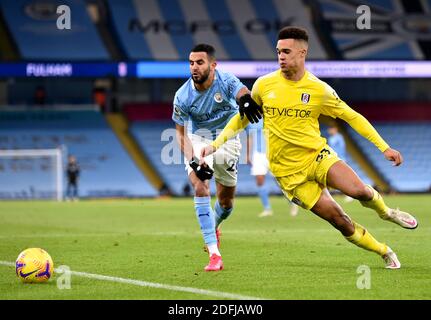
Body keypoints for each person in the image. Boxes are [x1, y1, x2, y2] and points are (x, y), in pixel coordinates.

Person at [201, 27, 418, 269]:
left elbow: (352, 116)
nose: (281, 56)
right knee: (340, 220)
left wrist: (384, 147)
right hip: (288, 173)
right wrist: (215, 145)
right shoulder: (264, 85)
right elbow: (242, 118)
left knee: (360, 192)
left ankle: (387, 213)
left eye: (286, 51)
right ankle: (384, 250)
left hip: (317, 156)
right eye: (278, 52)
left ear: (302, 53)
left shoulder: (319, 89)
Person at [173, 43, 262, 272]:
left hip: (228, 138)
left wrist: (245, 99)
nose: (194, 67)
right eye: (191, 63)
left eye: (199, 62)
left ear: (213, 65)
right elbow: (181, 135)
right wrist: (194, 160)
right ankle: (214, 254)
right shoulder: (182, 96)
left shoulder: (226, 80)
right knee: (201, 186)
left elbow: (242, 91)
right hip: (200, 139)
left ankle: (214, 226)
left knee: (226, 202)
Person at [246, 121, 299, 217]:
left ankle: (292, 203)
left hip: (272, 153)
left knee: (280, 181)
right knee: (259, 180)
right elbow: (250, 137)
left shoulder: (270, 115)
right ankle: (267, 208)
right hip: (258, 154)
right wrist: (248, 154)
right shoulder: (251, 120)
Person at [327, 124, 353, 202]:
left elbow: (342, 148)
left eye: (331, 129)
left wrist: (342, 159)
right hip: (332, 159)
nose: (330, 131)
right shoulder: (330, 138)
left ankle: (350, 194)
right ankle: (329, 194)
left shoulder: (339, 137)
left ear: (335, 129)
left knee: (344, 177)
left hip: (340, 159)